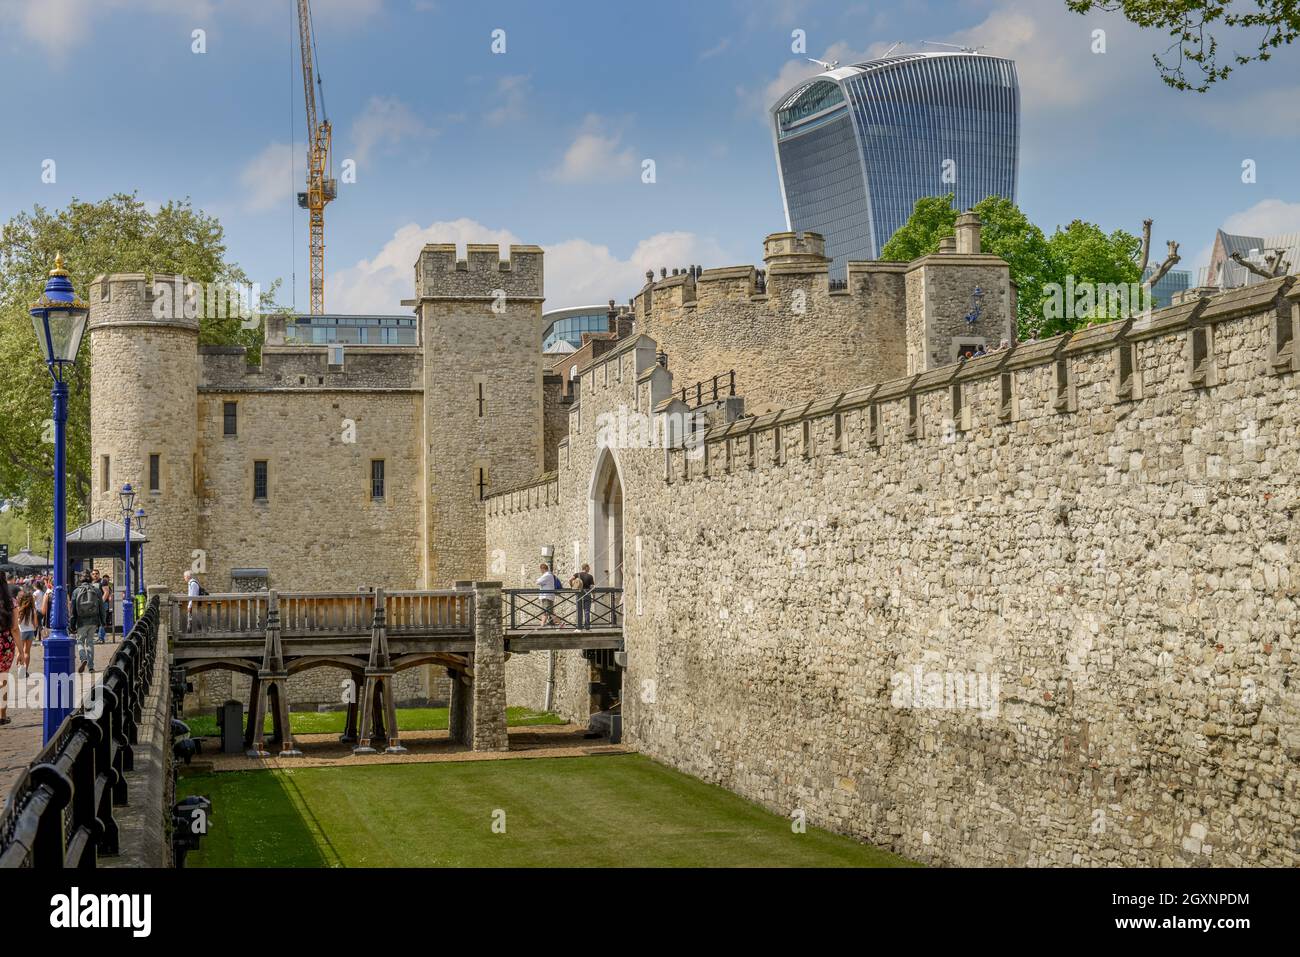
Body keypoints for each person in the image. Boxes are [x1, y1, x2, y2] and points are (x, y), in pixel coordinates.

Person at [69, 571, 104, 675]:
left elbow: (73, 610)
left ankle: (83, 658)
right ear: (90, 579)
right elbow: (101, 607)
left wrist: (72, 624)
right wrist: (102, 621)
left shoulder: (76, 591)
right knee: (90, 642)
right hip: (94, 620)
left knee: (80, 641)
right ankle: (91, 667)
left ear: (80, 579)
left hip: (81, 621)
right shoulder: (96, 590)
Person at [14, 587, 37, 680]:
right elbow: (35, 624)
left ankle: (19, 668)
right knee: (27, 652)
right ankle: (24, 671)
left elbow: (16, 622)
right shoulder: (33, 610)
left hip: (21, 632)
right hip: (30, 632)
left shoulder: (19, 609)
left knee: (20, 651)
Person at [0, 572, 13, 725]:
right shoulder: (10, 601)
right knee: (3, 680)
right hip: (5, 642)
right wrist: (22, 653)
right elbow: (15, 629)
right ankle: (2, 716)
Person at [569, 563, 595, 630]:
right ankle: (587, 626)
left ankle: (579, 626)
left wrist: (572, 587)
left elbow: (570, 580)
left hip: (579, 593)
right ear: (586, 567)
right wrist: (594, 596)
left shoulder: (577, 575)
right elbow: (592, 587)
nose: (589, 569)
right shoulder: (590, 576)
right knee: (587, 610)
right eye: (588, 567)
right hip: (587, 593)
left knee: (579, 610)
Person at [535, 563, 562, 627]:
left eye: (541, 570)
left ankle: (561, 623)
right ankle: (542, 624)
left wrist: (539, 581)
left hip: (546, 596)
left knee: (547, 611)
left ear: (543, 569)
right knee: (547, 611)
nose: (540, 571)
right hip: (548, 595)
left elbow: (538, 582)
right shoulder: (549, 575)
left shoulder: (547, 575)